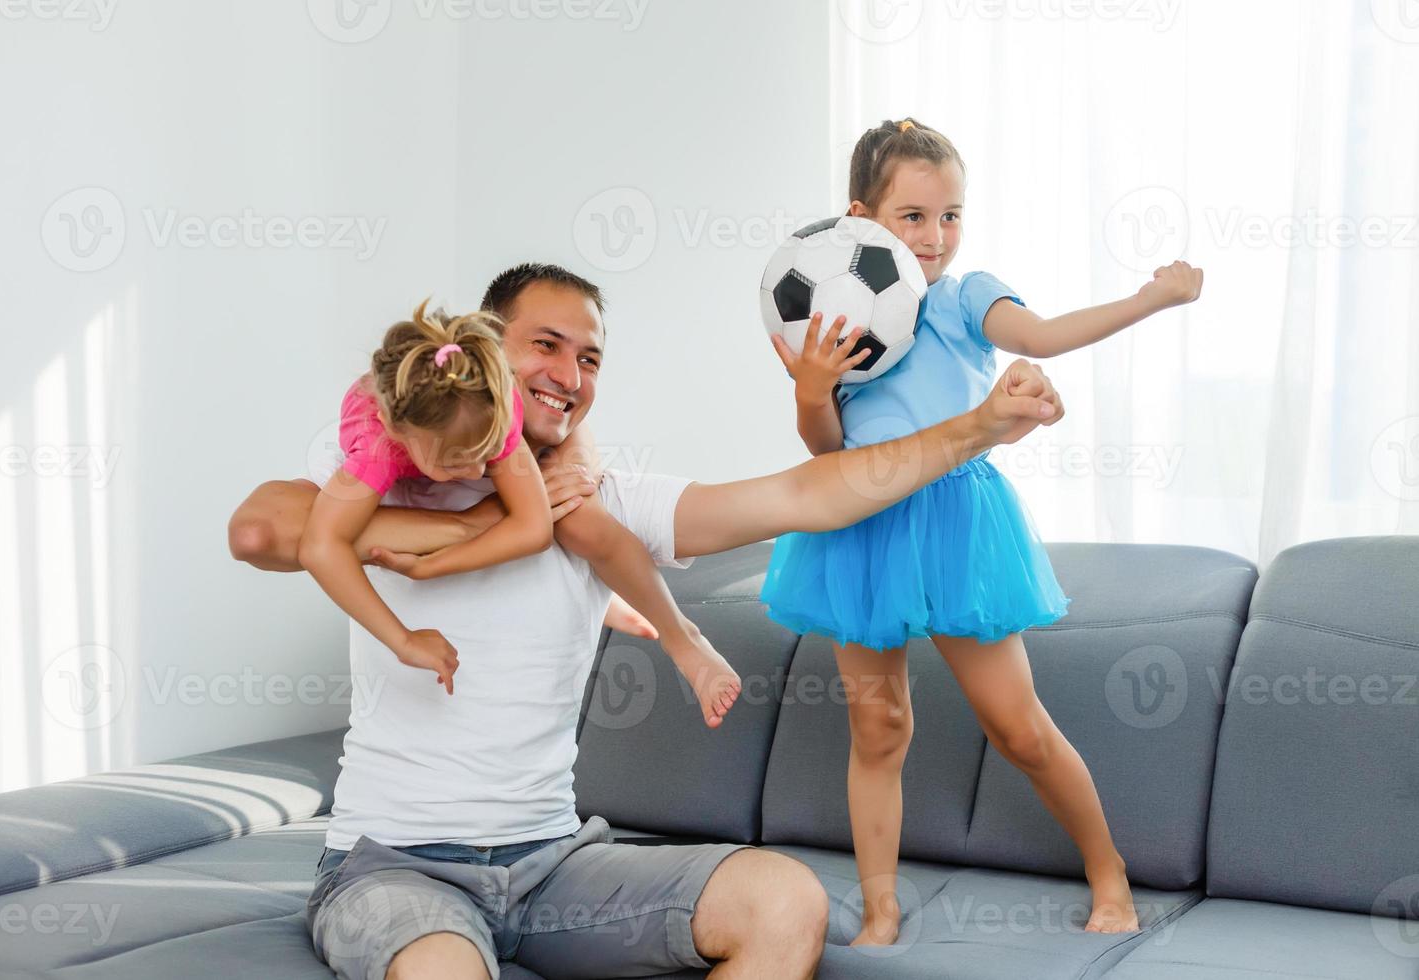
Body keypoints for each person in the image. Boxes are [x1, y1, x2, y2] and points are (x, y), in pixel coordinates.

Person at [228, 262, 1065, 979]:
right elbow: (261, 529)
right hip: (393, 867)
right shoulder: (394, 469)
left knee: (784, 904)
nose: (570, 372)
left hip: (553, 862)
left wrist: (980, 426)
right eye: (545, 345)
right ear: (483, 348)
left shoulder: (606, 500)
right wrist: (483, 529)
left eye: (589, 357)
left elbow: (808, 494)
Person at [762, 117, 1203, 943]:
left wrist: (1149, 299)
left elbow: (1038, 337)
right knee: (879, 726)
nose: (936, 238)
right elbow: (826, 449)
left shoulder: (964, 297)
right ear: (861, 217)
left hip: (956, 517)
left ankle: (1109, 873)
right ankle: (882, 908)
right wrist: (812, 390)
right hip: (860, 521)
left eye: (952, 215)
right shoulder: (833, 307)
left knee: (1017, 725)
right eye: (914, 216)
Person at [304, 299, 739, 724]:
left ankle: (682, 636)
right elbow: (321, 547)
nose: (477, 472)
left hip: (476, 412)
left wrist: (431, 566)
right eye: (457, 461)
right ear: (402, 437)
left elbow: (533, 529)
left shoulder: (498, 406)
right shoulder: (378, 447)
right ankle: (600, 594)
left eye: (487, 453)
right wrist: (401, 639)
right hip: (408, 426)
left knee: (578, 514)